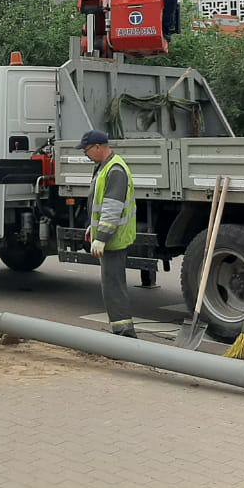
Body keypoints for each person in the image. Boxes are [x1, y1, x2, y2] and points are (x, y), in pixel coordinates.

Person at [81, 130, 138, 338]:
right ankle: (121, 331)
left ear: (98, 147)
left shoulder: (114, 169)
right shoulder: (105, 166)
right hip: (111, 236)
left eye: (87, 151)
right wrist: (92, 228)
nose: (86, 155)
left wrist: (102, 237)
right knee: (112, 285)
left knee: (113, 287)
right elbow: (99, 205)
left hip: (114, 239)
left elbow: (112, 208)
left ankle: (125, 334)